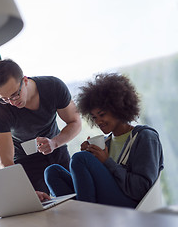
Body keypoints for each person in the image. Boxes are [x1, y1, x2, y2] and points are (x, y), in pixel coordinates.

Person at [44, 73, 164, 208]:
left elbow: (141, 189)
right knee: (52, 171)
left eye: (102, 115)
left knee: (80, 158)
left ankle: (87, 217)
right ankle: (76, 215)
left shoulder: (144, 137)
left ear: (118, 109)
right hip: (106, 199)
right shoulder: (107, 143)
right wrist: (92, 158)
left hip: (132, 203)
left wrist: (106, 162)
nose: (98, 121)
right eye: (94, 117)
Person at [0, 59, 81, 198]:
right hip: (25, 162)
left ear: (25, 80)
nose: (12, 103)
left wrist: (54, 143)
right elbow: (5, 161)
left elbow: (75, 122)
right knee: (40, 210)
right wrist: (27, 192)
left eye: (15, 95)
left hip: (57, 148)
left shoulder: (53, 87)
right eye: (5, 98)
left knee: (75, 198)